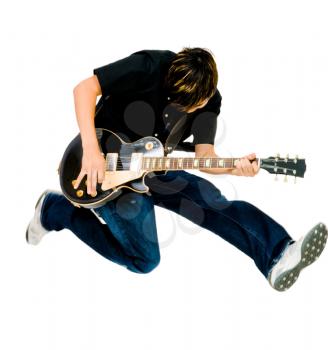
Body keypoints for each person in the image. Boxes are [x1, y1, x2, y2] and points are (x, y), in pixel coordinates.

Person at [26, 47, 327, 292]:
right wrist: (91, 150)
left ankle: (277, 254)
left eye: (189, 105)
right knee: (145, 260)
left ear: (206, 96)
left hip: (154, 167)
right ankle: (56, 209)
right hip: (105, 169)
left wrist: (233, 168)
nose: (180, 107)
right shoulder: (149, 65)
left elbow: (204, 155)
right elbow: (84, 89)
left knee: (212, 202)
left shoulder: (210, 102)